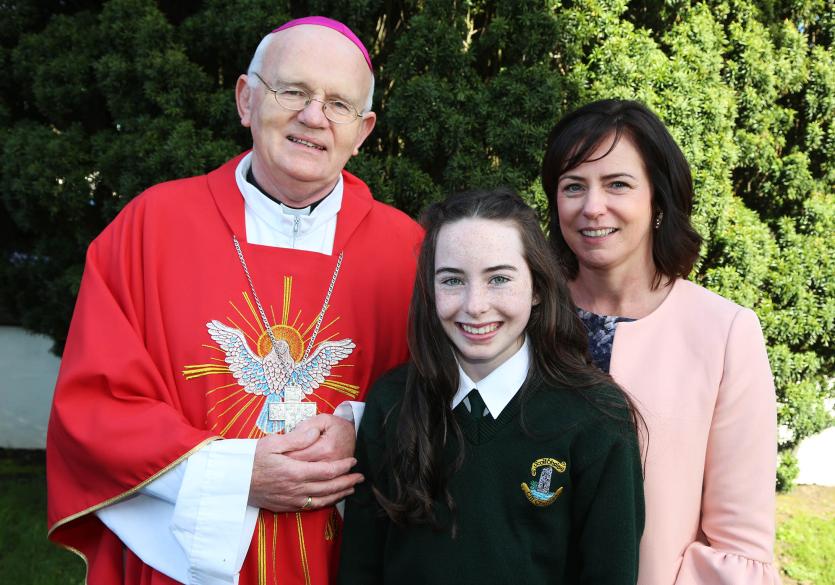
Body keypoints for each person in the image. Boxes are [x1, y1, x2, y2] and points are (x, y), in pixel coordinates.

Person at [46, 16, 423, 585]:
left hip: (350, 557)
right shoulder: (151, 229)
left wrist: (362, 430)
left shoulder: (411, 252)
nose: (313, 117)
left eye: (338, 104)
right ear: (246, 99)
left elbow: (446, 396)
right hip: (186, 560)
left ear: (363, 130)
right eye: (292, 91)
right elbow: (97, 406)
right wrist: (235, 475)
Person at [337, 188, 645, 584]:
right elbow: (360, 568)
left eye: (498, 278)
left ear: (537, 287)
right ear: (429, 292)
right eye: (452, 280)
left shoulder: (597, 415)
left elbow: (610, 573)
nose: (475, 305)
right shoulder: (392, 402)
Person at [541, 99, 781, 584]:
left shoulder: (723, 332)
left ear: (658, 200)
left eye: (618, 184)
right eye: (573, 187)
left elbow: (738, 542)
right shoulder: (522, 317)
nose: (592, 207)